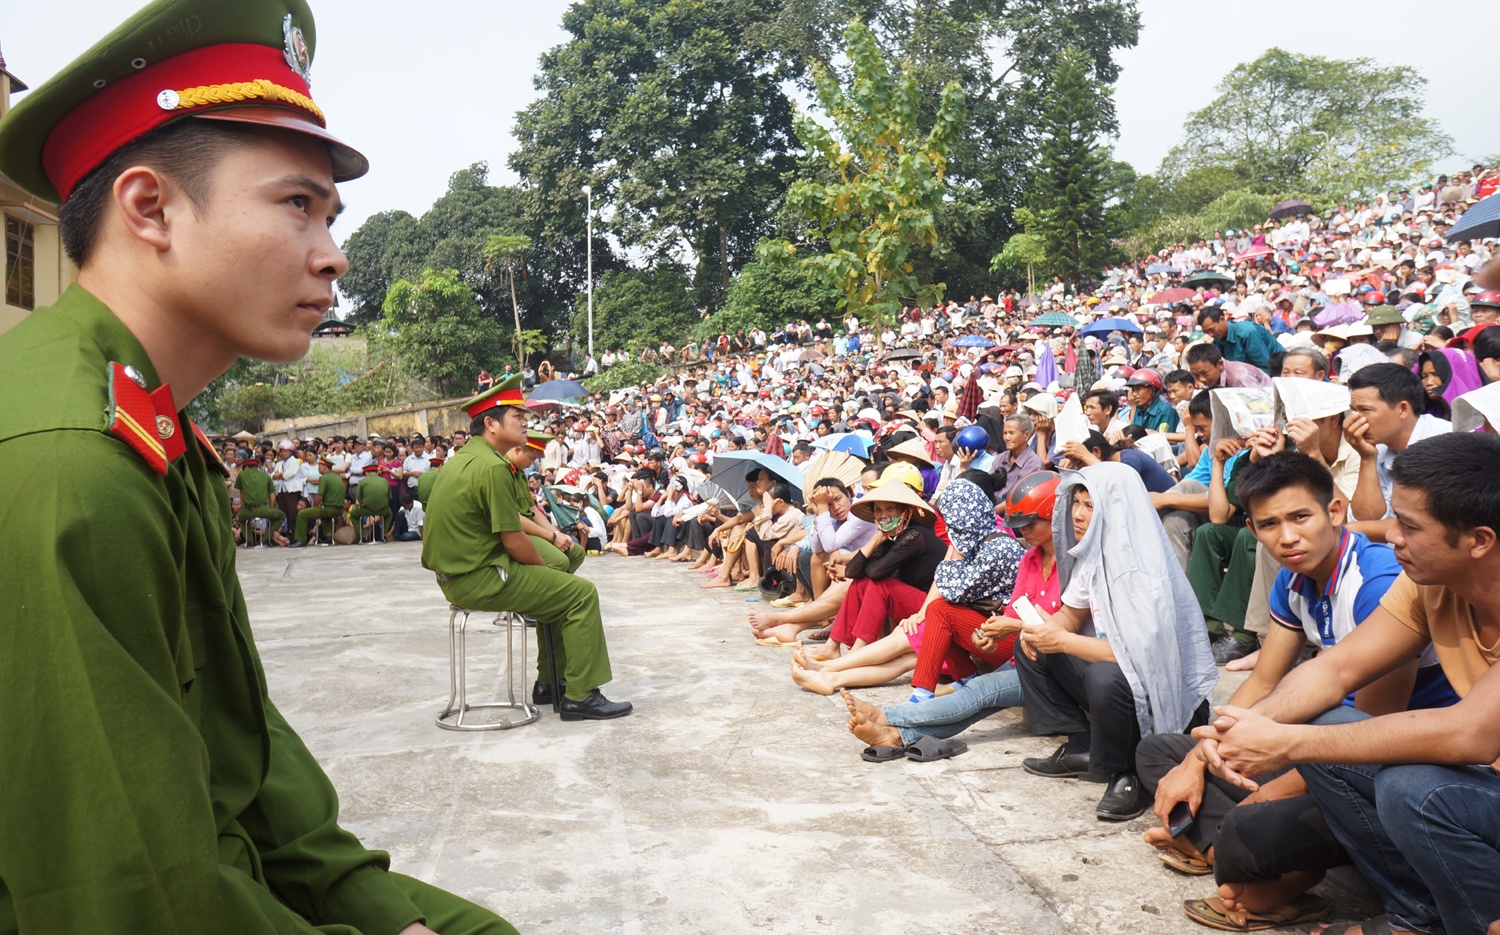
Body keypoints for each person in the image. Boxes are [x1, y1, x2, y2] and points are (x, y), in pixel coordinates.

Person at [0, 0, 519, 930]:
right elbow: (124, 893)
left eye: (330, 214)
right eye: (296, 207)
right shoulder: (70, 460)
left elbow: (242, 740)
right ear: (151, 208)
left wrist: (370, 906)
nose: (334, 256)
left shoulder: (159, 430)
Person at [1193, 434, 1500, 935]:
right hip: (1479, 787)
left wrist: (1288, 743)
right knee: (1320, 717)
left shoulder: (1381, 576)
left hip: (1471, 784)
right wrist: (1232, 732)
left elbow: (1470, 733)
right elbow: (1333, 671)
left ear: (1478, 540)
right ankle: (1416, 918)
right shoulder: (1428, 585)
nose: (1390, 534)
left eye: (1410, 525)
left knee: (1414, 789)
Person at [1014, 462, 1217, 821]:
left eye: (1090, 505)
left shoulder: (1141, 570)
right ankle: (1083, 746)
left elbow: (1138, 660)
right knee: (1029, 646)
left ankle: (1128, 774)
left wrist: (1060, 641)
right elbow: (1071, 616)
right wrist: (1044, 629)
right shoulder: (1094, 555)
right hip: (1124, 680)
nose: (1077, 514)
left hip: (1161, 698)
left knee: (1103, 676)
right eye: (1076, 502)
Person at [422, 377, 630, 721]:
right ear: (491, 423)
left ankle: (552, 682)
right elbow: (514, 538)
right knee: (580, 594)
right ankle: (580, 695)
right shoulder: (492, 467)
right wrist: (544, 571)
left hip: (460, 575)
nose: (525, 423)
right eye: (517, 417)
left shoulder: (464, 460)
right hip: (482, 578)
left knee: (561, 592)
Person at [838, 473, 1061, 760]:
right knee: (977, 696)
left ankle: (891, 715)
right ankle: (897, 735)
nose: (1024, 531)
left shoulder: (1006, 548)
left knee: (978, 692)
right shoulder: (1030, 558)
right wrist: (995, 633)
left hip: (1048, 661)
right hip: (1021, 651)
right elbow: (1009, 608)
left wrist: (1010, 626)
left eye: (1031, 523)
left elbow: (951, 588)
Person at [1343, 363, 1452, 522]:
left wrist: (1352, 529)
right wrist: (1367, 459)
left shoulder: (1447, 440)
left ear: (1402, 409)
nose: (1355, 419)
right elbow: (1367, 519)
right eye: (1353, 410)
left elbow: (1430, 523)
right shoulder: (1376, 449)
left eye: (1365, 410)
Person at [1197, 307, 1280, 373]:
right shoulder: (1218, 338)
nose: (1210, 334)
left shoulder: (1247, 334)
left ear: (1222, 319)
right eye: (1207, 332)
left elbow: (1265, 368)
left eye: (1212, 329)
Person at [291, 455, 346, 546]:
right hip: (339, 509)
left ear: (324, 466)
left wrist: (314, 507)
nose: (318, 468)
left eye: (319, 466)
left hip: (329, 509)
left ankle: (300, 540)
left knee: (302, 514)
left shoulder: (324, 478)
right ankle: (328, 536)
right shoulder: (337, 477)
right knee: (324, 515)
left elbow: (319, 496)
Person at [233, 456, 286, 546]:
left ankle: (250, 541)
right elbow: (272, 494)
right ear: (257, 467)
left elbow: (241, 493)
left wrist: (243, 507)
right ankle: (266, 539)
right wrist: (270, 507)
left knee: (242, 520)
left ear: (246, 467)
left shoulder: (241, 475)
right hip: (264, 509)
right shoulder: (265, 475)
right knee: (281, 516)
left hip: (248, 510)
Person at [1184, 343, 1273, 389]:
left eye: (1205, 373)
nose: (1201, 379)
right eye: (1196, 375)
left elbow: (1259, 405)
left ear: (1219, 364)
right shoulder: (1214, 379)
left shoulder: (1239, 379)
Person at [1125, 369, 1180, 434]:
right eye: (1133, 390)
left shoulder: (1165, 411)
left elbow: (1164, 439)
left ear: (1152, 389)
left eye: (1138, 389)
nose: (1134, 394)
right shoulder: (1139, 410)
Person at [351, 468, 394, 541]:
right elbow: (389, 498)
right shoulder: (385, 481)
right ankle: (383, 535)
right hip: (382, 510)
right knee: (389, 514)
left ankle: (363, 535)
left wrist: (364, 505)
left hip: (366, 510)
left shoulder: (362, 482)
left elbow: (359, 500)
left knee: (353, 515)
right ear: (377, 472)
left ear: (366, 473)